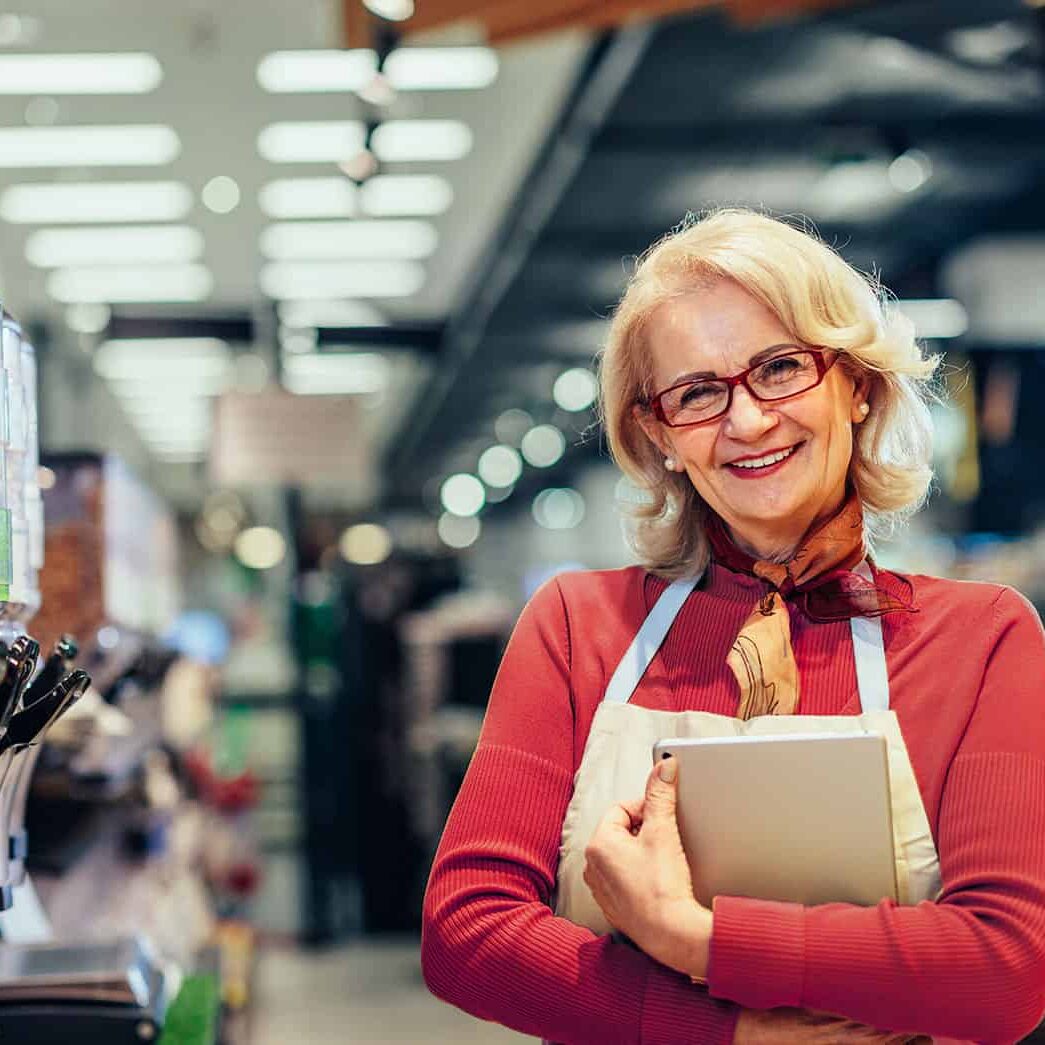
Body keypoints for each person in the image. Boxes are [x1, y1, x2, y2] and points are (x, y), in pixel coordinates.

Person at [420, 209, 1045, 1044]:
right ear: (658, 433)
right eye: (697, 392)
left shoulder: (983, 637)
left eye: (780, 368)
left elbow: (1006, 968)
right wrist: (728, 1032)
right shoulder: (577, 626)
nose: (746, 422)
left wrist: (695, 939)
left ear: (854, 385)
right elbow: (465, 931)